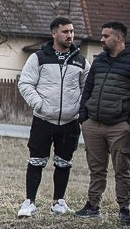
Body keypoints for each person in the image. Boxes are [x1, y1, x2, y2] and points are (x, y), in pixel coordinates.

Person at [16, 17, 87, 217]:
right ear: (54, 33)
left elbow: (87, 87)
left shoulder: (80, 60)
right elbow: (25, 83)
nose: (70, 35)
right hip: (43, 120)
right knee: (36, 160)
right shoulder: (39, 57)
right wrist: (39, 104)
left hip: (70, 122)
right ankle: (29, 202)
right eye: (65, 31)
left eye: (72, 31)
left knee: (64, 162)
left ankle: (58, 202)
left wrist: (77, 107)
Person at [77, 21, 130, 225]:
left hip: (120, 126)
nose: (101, 39)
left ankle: (124, 210)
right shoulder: (100, 61)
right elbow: (88, 88)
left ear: (118, 38)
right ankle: (92, 206)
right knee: (96, 168)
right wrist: (83, 116)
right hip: (93, 123)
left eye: (105, 36)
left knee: (122, 170)